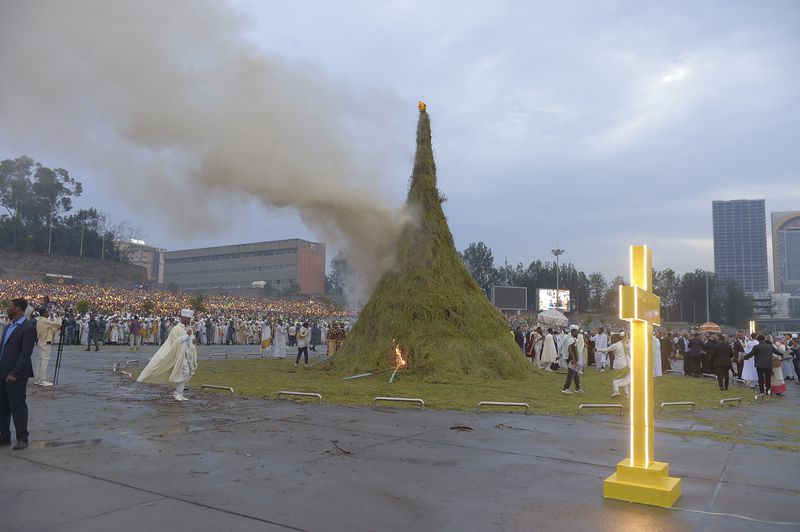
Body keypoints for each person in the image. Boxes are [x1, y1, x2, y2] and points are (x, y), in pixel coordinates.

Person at [137, 309, 198, 402]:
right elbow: (175, 341)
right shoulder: (176, 329)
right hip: (178, 354)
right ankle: (177, 393)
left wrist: (192, 340)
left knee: (186, 373)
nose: (189, 321)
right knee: (184, 372)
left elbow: (191, 339)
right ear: (183, 318)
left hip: (187, 354)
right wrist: (186, 335)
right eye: (188, 319)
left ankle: (180, 393)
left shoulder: (188, 328)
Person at [0, 298, 36, 450]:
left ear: (18, 308)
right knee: (2, 406)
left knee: (18, 407)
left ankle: (22, 438)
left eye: (10, 306)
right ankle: (4, 435)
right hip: (2, 372)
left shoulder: (27, 328)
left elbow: (25, 354)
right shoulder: (8, 327)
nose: (8, 308)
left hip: (16, 375)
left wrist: (14, 372)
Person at [34, 306, 62, 386]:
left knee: (40, 361)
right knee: (44, 361)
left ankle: (38, 379)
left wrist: (56, 329)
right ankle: (42, 380)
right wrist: (60, 317)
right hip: (45, 343)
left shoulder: (39, 320)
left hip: (41, 342)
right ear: (43, 313)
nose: (48, 313)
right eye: (46, 312)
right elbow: (58, 324)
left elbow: (51, 331)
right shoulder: (44, 320)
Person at [597, 333, 629, 398]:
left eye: (612, 339)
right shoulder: (623, 344)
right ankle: (627, 394)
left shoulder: (615, 345)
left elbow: (606, 349)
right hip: (625, 364)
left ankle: (616, 391)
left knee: (615, 379)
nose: (611, 340)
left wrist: (596, 349)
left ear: (616, 338)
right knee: (625, 379)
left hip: (618, 365)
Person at [561, 326, 583, 394]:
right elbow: (569, 349)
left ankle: (577, 388)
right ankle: (565, 388)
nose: (577, 334)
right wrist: (573, 359)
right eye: (576, 333)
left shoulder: (571, 338)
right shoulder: (570, 339)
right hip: (571, 359)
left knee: (575, 373)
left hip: (573, 359)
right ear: (573, 332)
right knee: (570, 374)